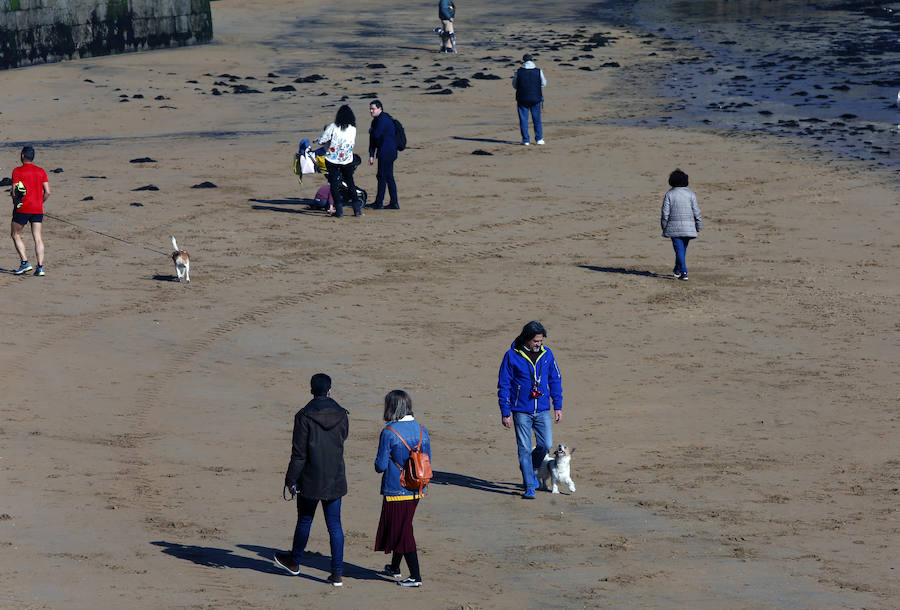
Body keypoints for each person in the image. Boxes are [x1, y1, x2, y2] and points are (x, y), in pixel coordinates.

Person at [275, 373, 350, 587]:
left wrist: (290, 479)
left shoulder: (304, 415)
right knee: (335, 526)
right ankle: (337, 574)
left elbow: (299, 454)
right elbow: (343, 438)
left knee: (305, 520)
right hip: (335, 477)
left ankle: (294, 562)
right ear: (329, 391)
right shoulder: (342, 414)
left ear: (311, 391)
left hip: (310, 479)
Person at [497, 321, 562, 499]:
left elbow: (555, 379)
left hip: (542, 409)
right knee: (524, 449)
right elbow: (504, 385)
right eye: (535, 341)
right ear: (526, 339)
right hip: (521, 411)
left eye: (540, 341)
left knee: (546, 445)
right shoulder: (511, 356)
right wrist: (505, 411)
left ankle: (529, 466)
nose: (538, 344)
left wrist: (558, 405)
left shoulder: (547, 354)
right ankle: (529, 486)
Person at [374, 389, 431, 587]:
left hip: (396, 488)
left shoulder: (389, 432)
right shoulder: (423, 430)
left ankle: (415, 576)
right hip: (417, 488)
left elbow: (380, 466)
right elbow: (428, 461)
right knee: (403, 525)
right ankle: (395, 567)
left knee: (403, 531)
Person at [10, 145, 50, 276]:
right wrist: (40, 202)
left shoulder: (17, 171)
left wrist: (15, 201)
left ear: (22, 156)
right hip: (37, 209)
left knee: (15, 235)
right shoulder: (41, 171)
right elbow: (48, 192)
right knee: (38, 238)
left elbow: (15, 192)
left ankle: (25, 262)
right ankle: (40, 267)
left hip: (22, 208)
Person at [316, 105, 361, 218]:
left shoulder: (333, 126)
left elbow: (322, 140)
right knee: (350, 183)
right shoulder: (353, 129)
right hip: (347, 159)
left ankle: (339, 210)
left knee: (334, 185)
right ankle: (357, 209)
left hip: (332, 159)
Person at [660, 168, 702, 281]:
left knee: (679, 250)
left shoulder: (669, 194)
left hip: (674, 228)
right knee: (682, 249)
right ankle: (677, 270)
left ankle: (684, 272)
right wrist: (699, 225)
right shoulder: (691, 194)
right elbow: (696, 211)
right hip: (689, 228)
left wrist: (664, 226)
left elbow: (665, 214)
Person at [367, 100, 399, 210]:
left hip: (388, 152)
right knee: (387, 177)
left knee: (382, 176)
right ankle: (393, 203)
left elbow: (375, 134)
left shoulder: (383, 119)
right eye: (370, 109)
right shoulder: (375, 121)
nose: (371, 111)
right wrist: (371, 155)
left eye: (373, 109)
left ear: (380, 109)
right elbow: (373, 139)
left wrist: (371, 130)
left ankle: (379, 202)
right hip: (383, 152)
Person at [512, 54, 547, 146]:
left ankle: (526, 140)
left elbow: (514, 85)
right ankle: (539, 139)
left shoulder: (518, 71)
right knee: (537, 119)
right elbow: (544, 83)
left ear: (523, 61)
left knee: (523, 119)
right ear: (532, 60)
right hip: (536, 97)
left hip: (522, 98)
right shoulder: (539, 71)